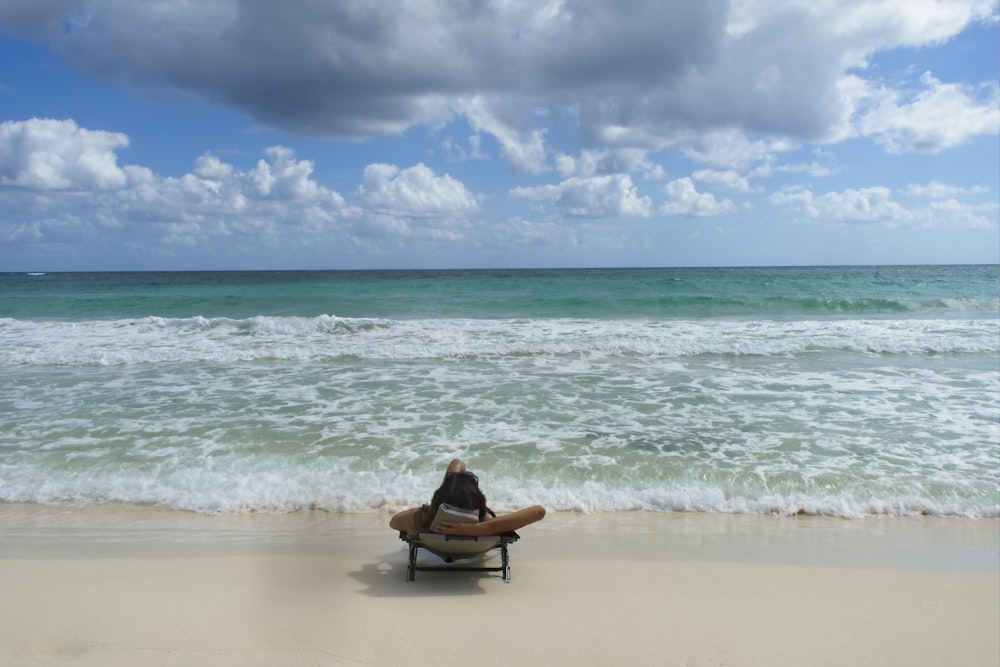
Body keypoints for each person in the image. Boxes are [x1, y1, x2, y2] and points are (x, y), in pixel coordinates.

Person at [389, 458, 546, 536]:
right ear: (477, 501)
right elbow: (539, 511)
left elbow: (393, 521)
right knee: (457, 469)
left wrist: (430, 510)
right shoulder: (485, 522)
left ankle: (449, 494)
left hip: (436, 520)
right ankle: (457, 489)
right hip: (474, 522)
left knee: (456, 464)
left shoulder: (420, 521)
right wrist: (474, 529)